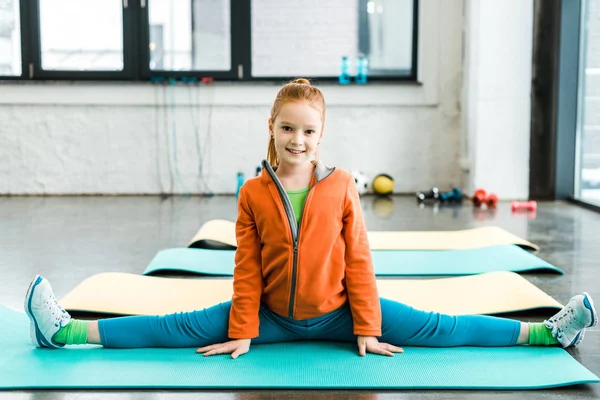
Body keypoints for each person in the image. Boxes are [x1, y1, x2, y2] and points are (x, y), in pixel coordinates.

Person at [25, 78, 597, 358]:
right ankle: (66, 331)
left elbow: (359, 260)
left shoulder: (341, 186)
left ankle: (546, 333)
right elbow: (246, 264)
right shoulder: (252, 193)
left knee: (438, 325)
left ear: (321, 137)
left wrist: (368, 328)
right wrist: (244, 330)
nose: (298, 139)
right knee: (179, 324)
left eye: (309, 131)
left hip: (340, 314)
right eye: (287, 128)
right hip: (271, 315)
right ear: (271, 130)